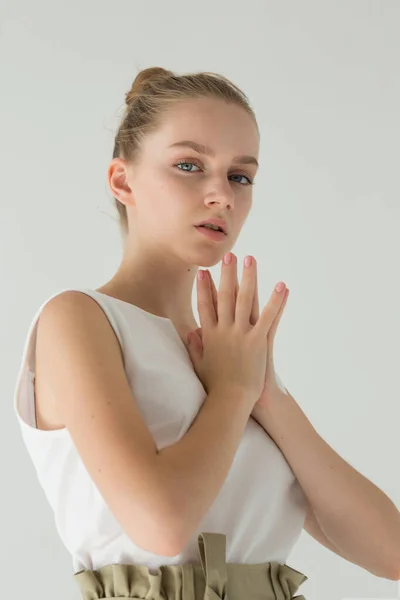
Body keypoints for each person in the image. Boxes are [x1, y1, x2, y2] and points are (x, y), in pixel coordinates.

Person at [13, 67, 309, 599]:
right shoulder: (78, 319)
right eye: (190, 166)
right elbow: (160, 526)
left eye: (240, 176)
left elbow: (389, 551)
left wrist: (258, 389)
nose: (221, 194)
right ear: (123, 181)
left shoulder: (227, 352)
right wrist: (235, 392)